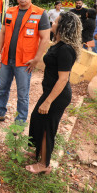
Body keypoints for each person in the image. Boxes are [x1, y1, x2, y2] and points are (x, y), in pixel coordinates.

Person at [0, 0, 51, 125]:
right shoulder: (9, 11)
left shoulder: (40, 13)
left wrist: (37, 59)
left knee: (22, 93)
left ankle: (20, 120)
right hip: (7, 59)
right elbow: (2, 31)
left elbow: (45, 38)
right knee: (2, 88)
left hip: (25, 61)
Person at [25, 12, 81, 174]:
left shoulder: (66, 50)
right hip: (50, 91)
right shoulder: (58, 44)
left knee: (47, 128)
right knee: (37, 120)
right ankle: (38, 154)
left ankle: (44, 165)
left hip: (57, 96)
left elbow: (63, 79)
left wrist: (48, 101)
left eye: (56, 21)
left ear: (63, 27)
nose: (53, 23)